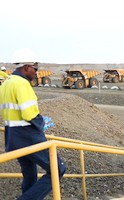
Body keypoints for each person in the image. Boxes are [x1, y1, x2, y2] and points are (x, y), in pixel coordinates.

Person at [0, 48, 66, 200]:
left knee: (30, 174)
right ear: (26, 67)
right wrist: (42, 122)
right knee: (58, 169)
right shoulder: (22, 84)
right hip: (28, 136)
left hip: (13, 137)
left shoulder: (6, 83)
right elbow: (29, 113)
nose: (36, 72)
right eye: (35, 69)